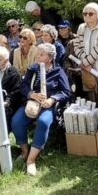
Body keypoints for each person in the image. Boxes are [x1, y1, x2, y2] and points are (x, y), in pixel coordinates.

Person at [12, 43, 71, 176]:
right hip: (32, 103)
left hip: (48, 106)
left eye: (41, 54)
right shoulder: (33, 69)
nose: (38, 56)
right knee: (16, 121)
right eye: (38, 54)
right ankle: (25, 151)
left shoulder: (58, 71)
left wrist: (53, 99)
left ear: (50, 58)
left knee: (44, 122)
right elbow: (23, 86)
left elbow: (66, 92)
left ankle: (31, 160)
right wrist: (31, 94)